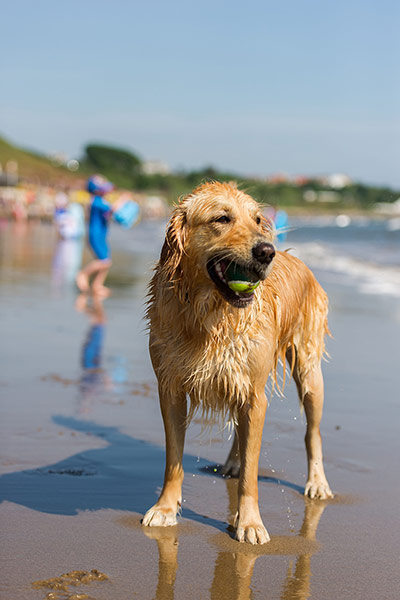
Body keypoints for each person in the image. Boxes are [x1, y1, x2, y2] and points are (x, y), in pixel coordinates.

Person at [76, 175, 119, 297]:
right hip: (95, 235)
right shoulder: (96, 201)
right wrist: (124, 200)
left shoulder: (99, 201)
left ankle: (97, 285)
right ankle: (83, 274)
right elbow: (113, 209)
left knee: (106, 260)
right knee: (104, 261)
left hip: (101, 235)